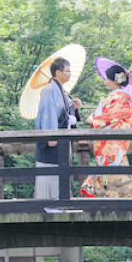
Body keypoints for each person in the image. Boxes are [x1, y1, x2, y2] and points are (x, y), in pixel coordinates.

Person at [80, 59, 132, 198]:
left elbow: (108, 119)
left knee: (111, 176)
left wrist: (93, 120)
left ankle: (112, 203)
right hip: (116, 143)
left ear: (114, 80)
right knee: (114, 175)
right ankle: (115, 203)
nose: (105, 81)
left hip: (110, 144)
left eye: (107, 78)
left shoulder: (117, 99)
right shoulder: (122, 99)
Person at [34, 57, 82, 199]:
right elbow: (48, 115)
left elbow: (66, 113)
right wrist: (51, 137)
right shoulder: (49, 90)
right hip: (53, 143)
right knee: (50, 178)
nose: (70, 74)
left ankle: (61, 205)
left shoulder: (61, 91)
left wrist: (74, 107)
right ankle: (50, 207)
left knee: (61, 176)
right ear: (58, 72)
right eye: (67, 71)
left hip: (62, 141)